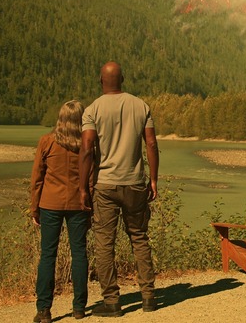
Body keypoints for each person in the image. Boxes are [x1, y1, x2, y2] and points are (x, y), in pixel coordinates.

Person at [78, 61, 160, 317]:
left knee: (104, 244)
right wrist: (153, 179)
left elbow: (87, 150)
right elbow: (151, 144)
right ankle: (148, 297)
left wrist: (83, 188)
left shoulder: (92, 110)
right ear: (122, 79)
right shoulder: (141, 105)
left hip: (105, 185)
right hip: (135, 182)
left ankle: (112, 301)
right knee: (139, 238)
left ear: (101, 81)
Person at [30, 100, 89, 323]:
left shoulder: (47, 141)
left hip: (50, 204)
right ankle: (79, 308)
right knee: (79, 253)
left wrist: (34, 207)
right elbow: (91, 177)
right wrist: (89, 207)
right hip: (78, 204)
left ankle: (44, 310)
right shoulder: (87, 143)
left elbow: (37, 178)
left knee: (47, 255)